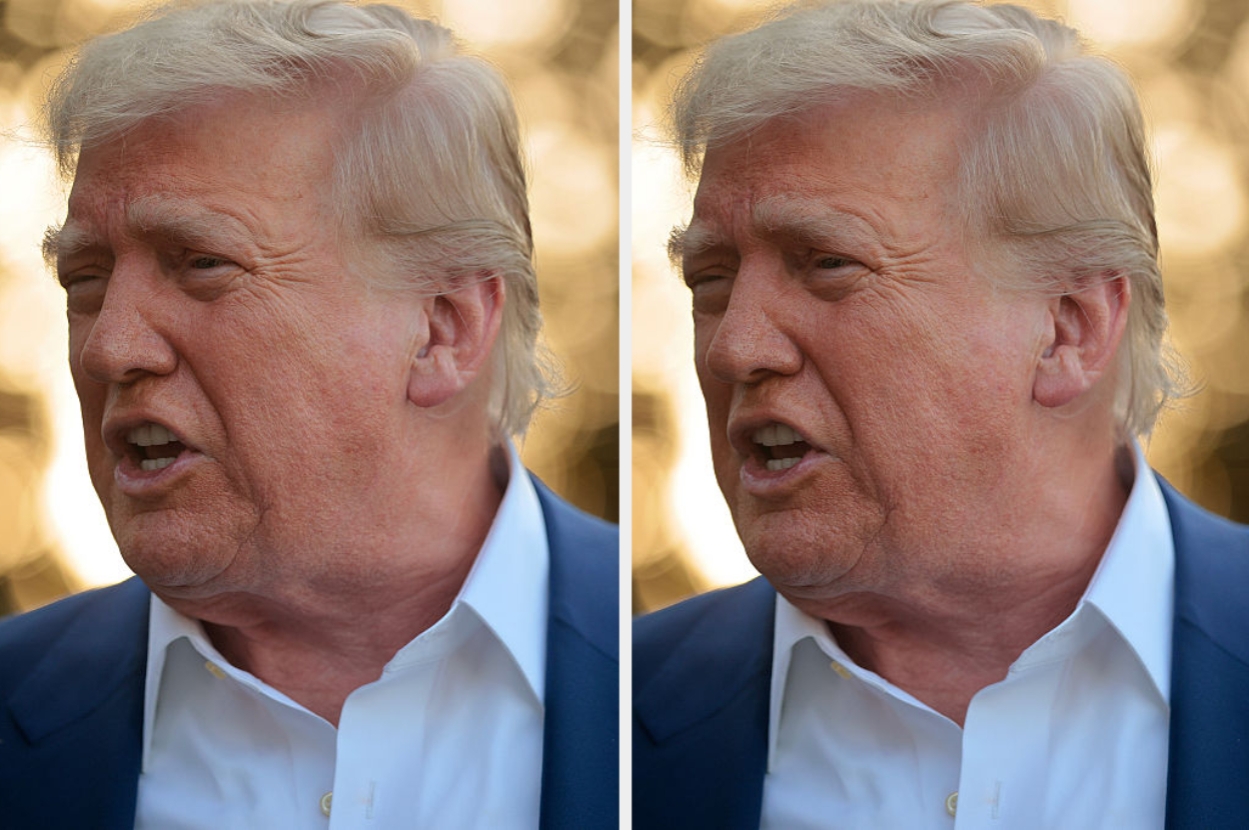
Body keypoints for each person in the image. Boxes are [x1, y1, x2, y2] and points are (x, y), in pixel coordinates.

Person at [0, 1, 617, 828]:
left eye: (202, 265)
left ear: (442, 327)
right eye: (86, 282)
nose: (111, 347)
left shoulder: (689, 684)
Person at [633, 1, 1249, 827]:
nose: (734, 347)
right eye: (710, 279)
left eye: (826, 263)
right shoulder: (606, 718)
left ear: (1068, 328)